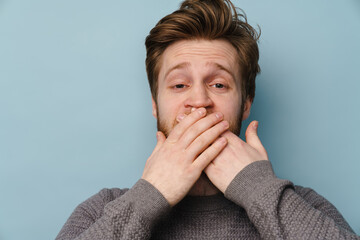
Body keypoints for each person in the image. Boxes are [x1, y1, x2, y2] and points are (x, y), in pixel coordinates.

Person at [56, 0, 359, 239]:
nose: (199, 101)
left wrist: (259, 189)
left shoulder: (303, 207)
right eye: (179, 85)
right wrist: (150, 197)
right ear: (154, 105)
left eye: (218, 85)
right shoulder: (101, 209)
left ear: (245, 105)